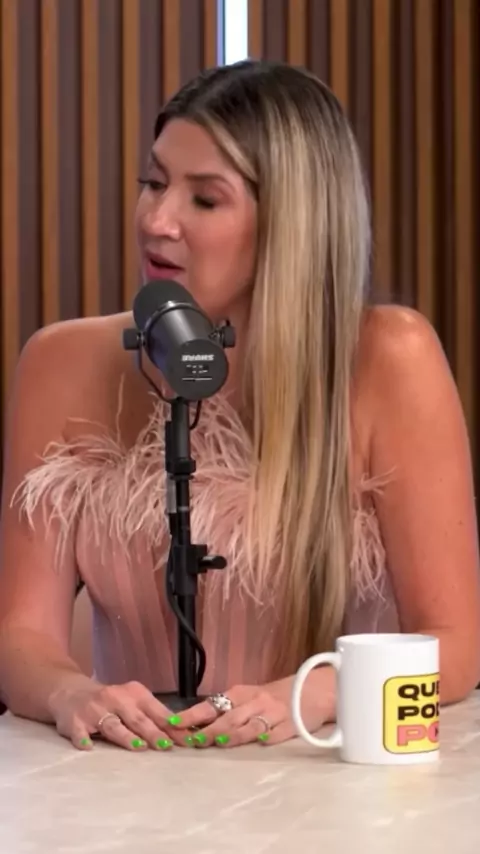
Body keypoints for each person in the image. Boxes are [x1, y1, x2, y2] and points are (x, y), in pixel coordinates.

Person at [0, 60, 479, 752]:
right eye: (153, 183)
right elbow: (21, 638)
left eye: (204, 199)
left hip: (326, 773)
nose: (157, 220)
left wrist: (314, 692)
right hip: (125, 780)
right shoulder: (60, 363)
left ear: (290, 222)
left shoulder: (390, 358)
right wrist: (68, 690)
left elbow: (455, 647)